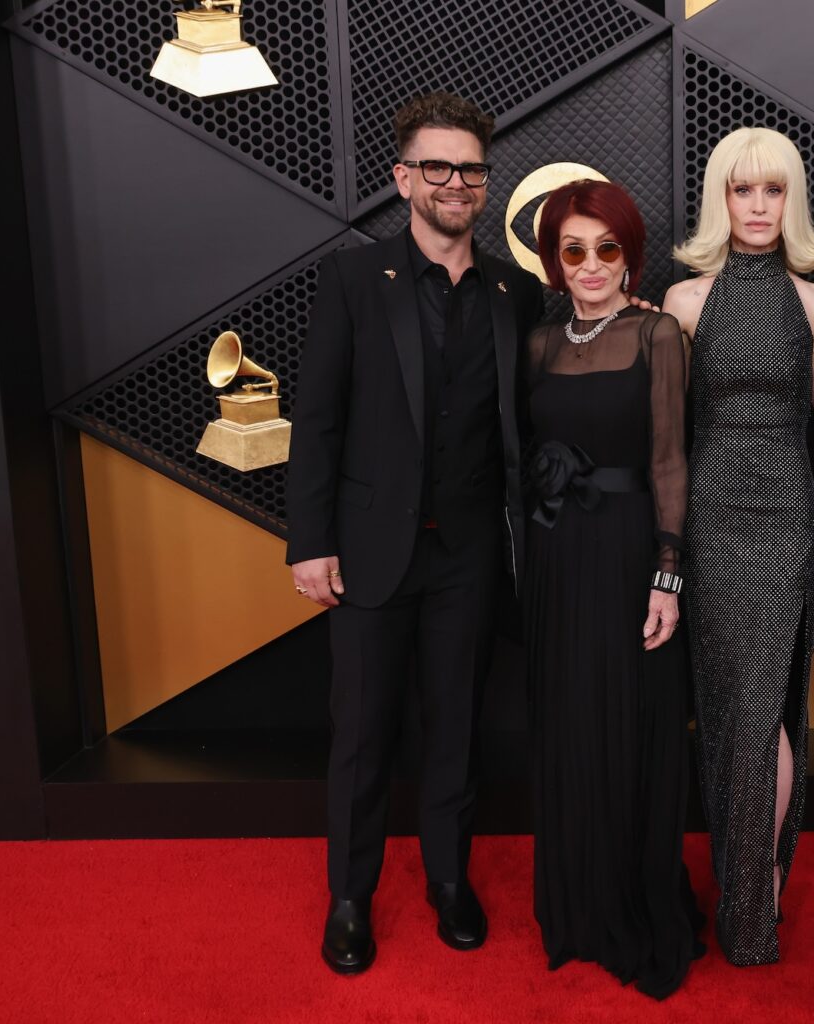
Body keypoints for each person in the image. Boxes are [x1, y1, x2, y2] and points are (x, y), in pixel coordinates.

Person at [285, 91, 544, 975]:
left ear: (484, 180)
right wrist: (309, 542)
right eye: (436, 167)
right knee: (360, 732)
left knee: (456, 727)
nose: (455, 182)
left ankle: (447, 881)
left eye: (469, 168)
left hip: (471, 554)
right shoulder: (355, 281)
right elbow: (315, 420)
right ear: (403, 180)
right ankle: (350, 898)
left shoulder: (518, 292)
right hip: (365, 551)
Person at [665, 127, 814, 966]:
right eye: (744, 191)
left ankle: (755, 884)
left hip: (785, 517)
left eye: (774, 190)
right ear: (722, 200)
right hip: (711, 515)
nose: (760, 206)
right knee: (733, 703)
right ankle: (752, 882)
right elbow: (666, 431)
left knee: (764, 702)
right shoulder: (684, 302)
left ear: (792, 200)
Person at [521, 179, 699, 999]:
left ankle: (633, 905)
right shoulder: (539, 344)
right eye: (573, 251)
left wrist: (668, 572)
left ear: (628, 253)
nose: (590, 265)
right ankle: (578, 907)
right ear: (554, 262)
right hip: (558, 554)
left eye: (607, 249)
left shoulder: (659, 333)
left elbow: (669, 459)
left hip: (631, 552)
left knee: (632, 722)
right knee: (569, 722)